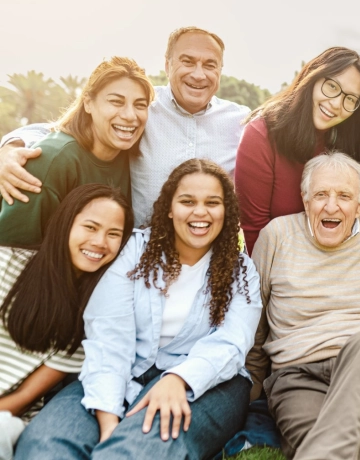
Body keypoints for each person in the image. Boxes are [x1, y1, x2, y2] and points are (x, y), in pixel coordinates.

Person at [15, 159, 262, 459]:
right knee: (45, 445)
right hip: (120, 370)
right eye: (187, 201)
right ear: (170, 208)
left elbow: (232, 342)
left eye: (212, 202)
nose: (200, 212)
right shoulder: (134, 251)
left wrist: (178, 379)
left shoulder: (240, 270)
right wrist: (107, 420)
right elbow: (109, 333)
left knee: (136, 450)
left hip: (207, 382)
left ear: (226, 211)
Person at [246, 152, 360, 459]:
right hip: (298, 377)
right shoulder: (277, 236)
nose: (331, 206)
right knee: (319, 446)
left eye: (344, 196)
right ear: (305, 199)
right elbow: (255, 319)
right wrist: (253, 384)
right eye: (321, 194)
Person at [0, 26, 250, 227]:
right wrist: (9, 148)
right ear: (167, 65)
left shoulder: (241, 122)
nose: (198, 74)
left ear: (220, 70)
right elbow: (61, 130)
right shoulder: (143, 108)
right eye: (187, 61)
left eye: (209, 65)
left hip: (207, 259)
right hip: (137, 257)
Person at [0, 184, 133, 458]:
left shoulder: (93, 317)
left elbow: (25, 398)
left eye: (113, 234)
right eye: (91, 227)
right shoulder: (6, 263)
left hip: (7, 417)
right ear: (65, 224)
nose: (99, 242)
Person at [235, 47, 360, 252]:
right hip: (282, 267)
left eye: (350, 99)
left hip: (345, 263)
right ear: (312, 78)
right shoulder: (262, 135)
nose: (337, 103)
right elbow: (255, 232)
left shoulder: (353, 139)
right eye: (331, 86)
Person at [0, 57, 151, 247]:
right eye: (116, 101)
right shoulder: (52, 160)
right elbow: (10, 254)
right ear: (88, 103)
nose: (130, 116)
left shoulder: (135, 156)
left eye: (140, 105)